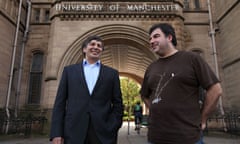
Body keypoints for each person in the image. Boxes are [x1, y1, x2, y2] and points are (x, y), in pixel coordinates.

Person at [140, 23, 222, 144]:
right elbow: (144, 95)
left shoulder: (192, 59)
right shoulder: (151, 68)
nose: (151, 41)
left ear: (169, 37)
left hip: (188, 137)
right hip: (155, 137)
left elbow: (216, 89)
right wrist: (156, 109)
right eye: (150, 38)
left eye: (156, 36)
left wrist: (203, 118)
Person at [50, 35, 123, 144]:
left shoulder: (112, 74)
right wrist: (56, 133)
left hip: (103, 134)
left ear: (102, 50)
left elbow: (118, 103)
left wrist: (113, 125)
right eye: (92, 44)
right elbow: (59, 103)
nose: (96, 47)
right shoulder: (69, 71)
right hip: (73, 132)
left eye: (99, 46)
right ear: (84, 49)